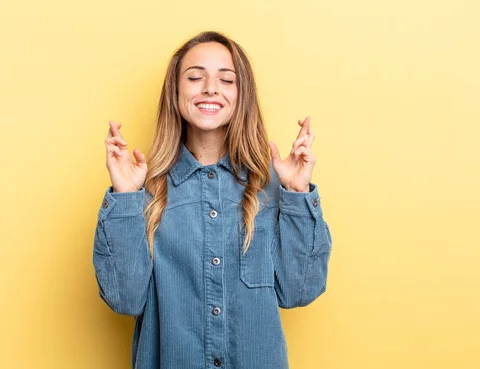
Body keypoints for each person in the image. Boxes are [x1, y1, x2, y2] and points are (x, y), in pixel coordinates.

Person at [93, 31, 333, 369]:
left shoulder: (272, 185)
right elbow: (125, 299)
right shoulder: (142, 189)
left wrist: (296, 194)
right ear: (176, 92)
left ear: (241, 95)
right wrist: (125, 197)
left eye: (226, 79)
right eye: (195, 77)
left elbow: (299, 291)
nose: (210, 88)